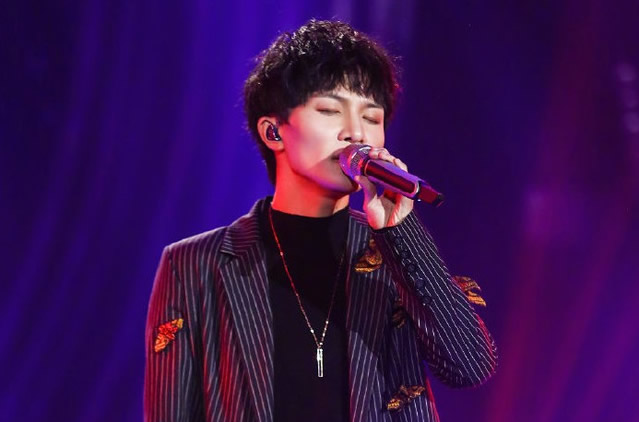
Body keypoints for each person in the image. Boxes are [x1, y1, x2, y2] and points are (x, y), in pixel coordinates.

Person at [144, 19, 497, 422]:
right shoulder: (194, 265)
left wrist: (400, 231)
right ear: (274, 132)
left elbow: (470, 367)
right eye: (330, 111)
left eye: (372, 118)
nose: (356, 133)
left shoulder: (394, 253)